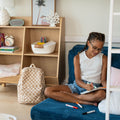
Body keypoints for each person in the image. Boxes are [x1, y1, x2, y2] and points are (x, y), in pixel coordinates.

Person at [44, 32, 107, 106]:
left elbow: (102, 80)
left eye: (99, 49)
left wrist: (108, 88)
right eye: (95, 48)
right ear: (88, 43)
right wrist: (85, 86)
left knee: (102, 94)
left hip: (93, 89)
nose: (96, 51)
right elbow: (77, 80)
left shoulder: (104, 58)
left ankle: (76, 97)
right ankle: (83, 100)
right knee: (47, 91)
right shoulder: (77, 58)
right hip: (78, 86)